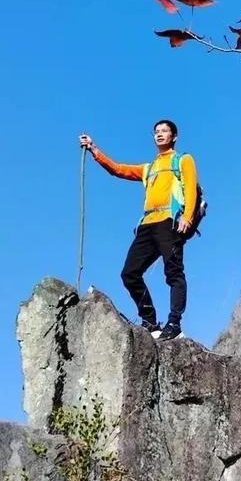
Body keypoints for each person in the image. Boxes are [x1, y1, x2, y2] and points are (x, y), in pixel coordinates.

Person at [79, 120, 198, 341]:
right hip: (147, 224)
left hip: (170, 222)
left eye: (164, 131)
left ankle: (174, 324)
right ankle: (150, 321)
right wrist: (95, 150)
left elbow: (190, 188)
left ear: (174, 136)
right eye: (156, 132)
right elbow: (118, 169)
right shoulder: (148, 168)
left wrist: (188, 218)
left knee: (173, 272)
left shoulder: (183, 160)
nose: (159, 135)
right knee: (129, 273)